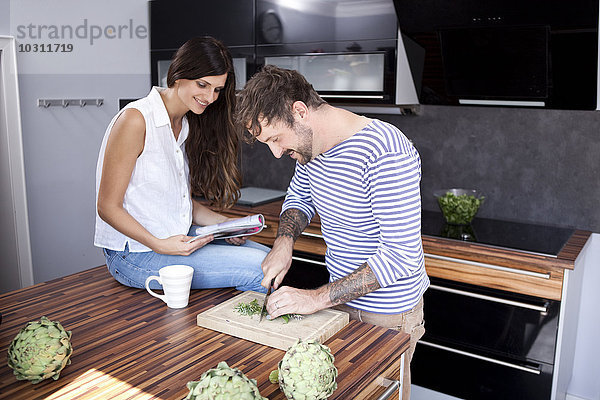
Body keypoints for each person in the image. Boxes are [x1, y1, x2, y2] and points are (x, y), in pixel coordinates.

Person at [235, 65, 429, 399]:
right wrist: (284, 241)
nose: (277, 152)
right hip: (339, 305)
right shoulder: (310, 151)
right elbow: (300, 196)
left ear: (300, 111)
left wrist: (313, 298)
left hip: (386, 315)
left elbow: (400, 257)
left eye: (276, 138)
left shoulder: (384, 150)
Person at [94, 37, 268, 293]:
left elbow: (180, 202)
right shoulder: (136, 120)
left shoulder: (182, 125)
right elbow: (107, 207)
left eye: (217, 89)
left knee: (268, 256)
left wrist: (227, 226)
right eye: (203, 85)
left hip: (176, 238)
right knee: (259, 267)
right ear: (178, 75)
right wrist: (159, 244)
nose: (210, 97)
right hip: (134, 256)